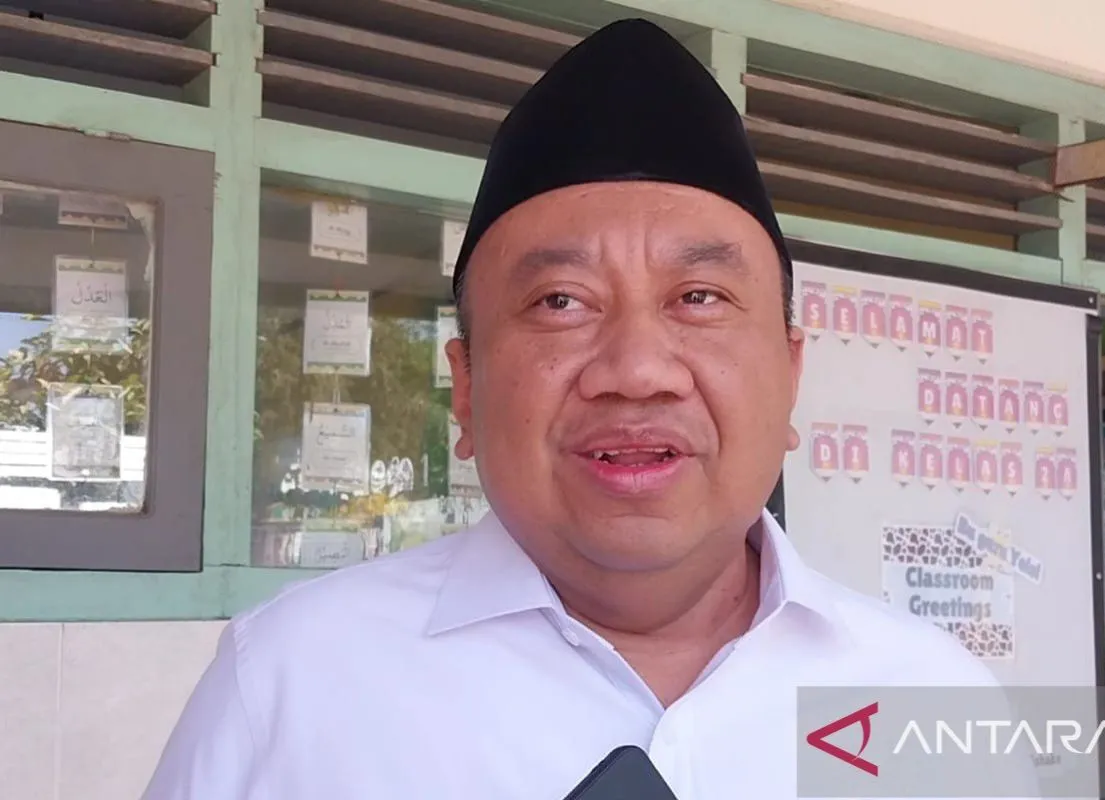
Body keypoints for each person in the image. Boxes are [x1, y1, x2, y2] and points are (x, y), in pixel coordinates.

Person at [143, 19, 1006, 799]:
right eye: (561, 301)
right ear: (468, 387)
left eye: (699, 297)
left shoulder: (935, 693)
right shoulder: (290, 683)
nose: (636, 371)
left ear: (790, 374)